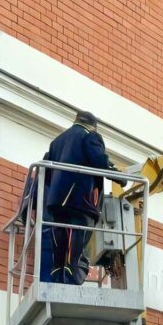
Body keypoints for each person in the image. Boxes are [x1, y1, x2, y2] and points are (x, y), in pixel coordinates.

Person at [42, 111, 121, 284]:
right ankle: (72, 275)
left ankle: (58, 274)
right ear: (93, 125)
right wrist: (119, 177)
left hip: (56, 200)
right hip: (80, 199)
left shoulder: (57, 142)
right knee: (76, 241)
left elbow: (47, 175)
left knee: (60, 239)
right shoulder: (90, 136)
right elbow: (99, 161)